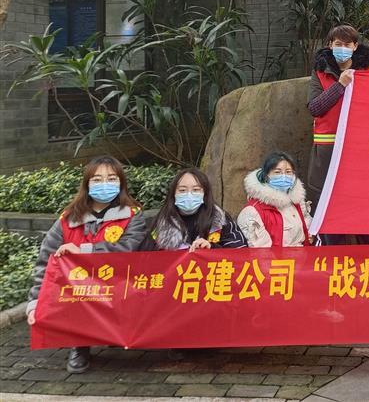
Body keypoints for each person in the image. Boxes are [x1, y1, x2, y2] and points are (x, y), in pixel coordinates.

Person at [26, 156, 146, 373]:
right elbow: (46, 262)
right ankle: (79, 345)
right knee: (73, 294)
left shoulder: (132, 216)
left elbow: (128, 250)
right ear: (87, 184)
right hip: (79, 291)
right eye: (97, 179)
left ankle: (116, 334)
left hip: (117, 285)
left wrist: (84, 251)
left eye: (111, 178)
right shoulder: (67, 220)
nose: (104, 184)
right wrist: (36, 303)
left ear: (120, 183)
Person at [306, 24, 369, 245]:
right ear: (330, 45)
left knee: (362, 205)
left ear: (355, 46)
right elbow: (315, 108)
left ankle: (368, 257)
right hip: (327, 151)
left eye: (347, 44)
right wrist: (340, 85)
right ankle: (332, 257)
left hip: (358, 152)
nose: (342, 48)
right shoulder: (320, 72)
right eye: (338, 44)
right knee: (329, 205)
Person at [141, 168, 246, 251]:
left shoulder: (220, 219)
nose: (189, 194)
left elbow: (240, 252)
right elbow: (146, 258)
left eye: (196, 190)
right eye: (182, 190)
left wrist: (212, 247)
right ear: (173, 194)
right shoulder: (161, 223)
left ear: (205, 193)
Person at [237, 151, 313, 247]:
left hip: (303, 255)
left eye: (288, 172)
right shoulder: (252, 211)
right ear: (266, 176)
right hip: (276, 257)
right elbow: (261, 251)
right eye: (277, 172)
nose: (284, 176)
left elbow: (307, 227)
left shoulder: (297, 202)